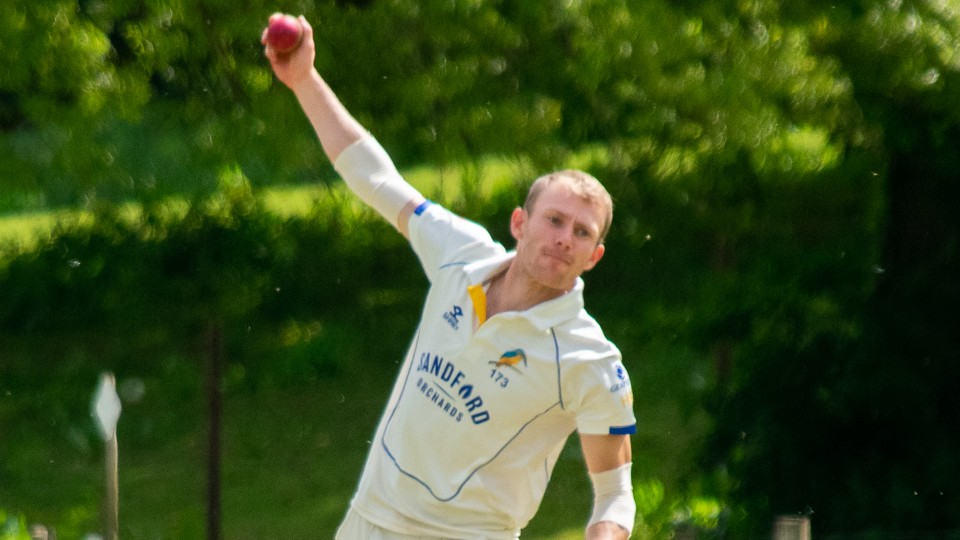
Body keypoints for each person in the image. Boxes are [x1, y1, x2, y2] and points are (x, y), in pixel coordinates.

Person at [263, 14, 637, 540]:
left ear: (593, 257)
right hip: (367, 522)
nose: (564, 238)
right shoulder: (458, 254)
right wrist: (303, 79)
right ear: (519, 223)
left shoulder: (588, 360)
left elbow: (616, 495)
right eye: (554, 221)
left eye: (581, 233)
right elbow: (375, 177)